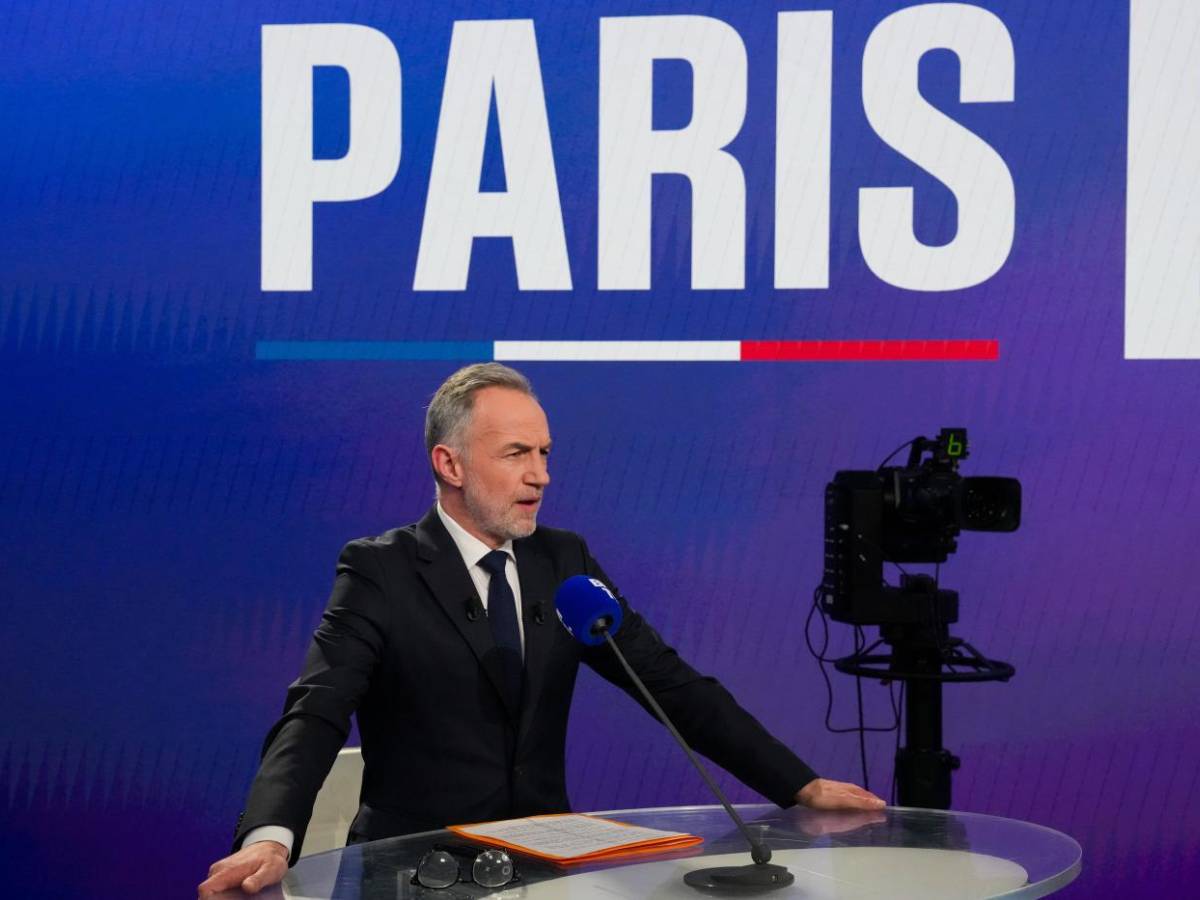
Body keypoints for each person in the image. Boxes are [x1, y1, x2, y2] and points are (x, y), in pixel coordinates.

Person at [199, 363, 884, 896]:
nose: (541, 476)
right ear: (450, 464)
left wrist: (798, 785)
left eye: (546, 453)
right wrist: (269, 837)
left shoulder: (564, 562)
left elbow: (670, 684)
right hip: (414, 875)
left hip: (545, 874)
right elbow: (314, 713)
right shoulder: (382, 570)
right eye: (516, 454)